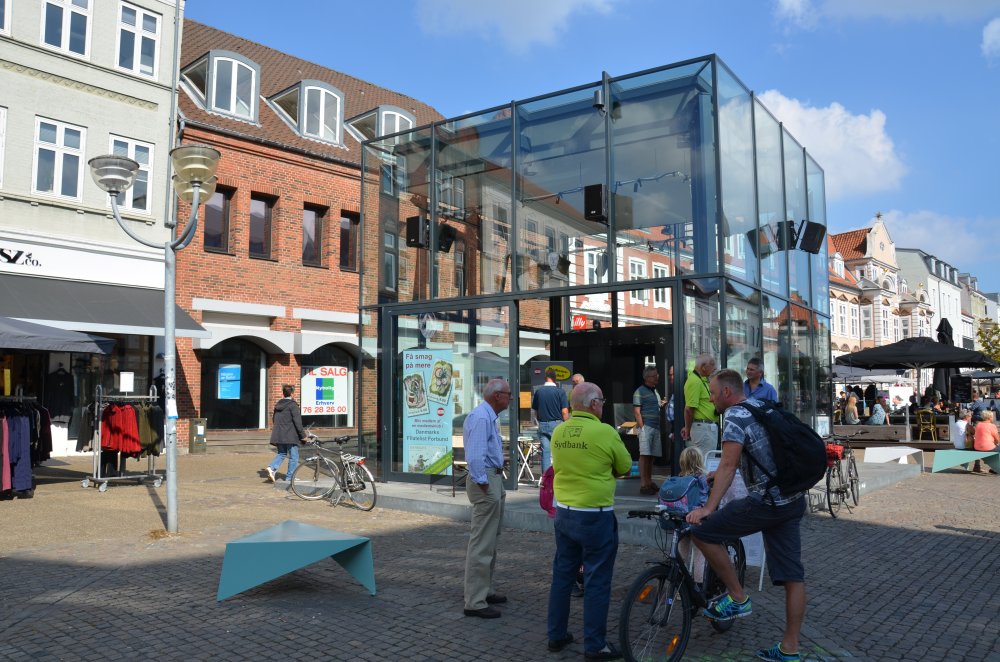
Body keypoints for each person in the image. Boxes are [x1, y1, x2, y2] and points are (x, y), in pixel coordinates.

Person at [686, 369, 808, 662]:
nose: (711, 400)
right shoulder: (761, 406)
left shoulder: (734, 416)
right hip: (791, 499)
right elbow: (757, 455)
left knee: (702, 532)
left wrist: (708, 508)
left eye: (713, 394)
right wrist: (717, 474)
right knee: (793, 576)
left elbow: (729, 465)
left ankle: (738, 597)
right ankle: (789, 649)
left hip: (766, 503)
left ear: (727, 392)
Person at [546, 382, 632, 660]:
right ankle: (595, 645)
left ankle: (556, 635)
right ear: (594, 404)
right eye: (602, 401)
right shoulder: (605, 432)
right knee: (597, 580)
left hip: (564, 512)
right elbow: (624, 466)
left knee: (563, 575)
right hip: (595, 515)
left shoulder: (559, 431)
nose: (603, 406)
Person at [463, 378, 512, 619]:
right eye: (508, 394)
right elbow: (475, 456)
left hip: (493, 479)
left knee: (490, 540)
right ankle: (474, 601)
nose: (511, 398)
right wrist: (483, 483)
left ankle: (484, 591)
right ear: (497, 396)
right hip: (486, 481)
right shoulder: (482, 417)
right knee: (482, 542)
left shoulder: (489, 416)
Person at [675, 447, 710, 585]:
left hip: (682, 520)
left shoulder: (679, 479)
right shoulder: (703, 478)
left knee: (681, 555)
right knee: (699, 556)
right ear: (700, 461)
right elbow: (706, 499)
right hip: (698, 520)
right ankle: (698, 586)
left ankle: (678, 586)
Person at [633, 365, 665, 495]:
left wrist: (661, 404)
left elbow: (653, 406)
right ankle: (643, 484)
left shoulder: (654, 391)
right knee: (644, 455)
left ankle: (649, 481)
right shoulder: (639, 391)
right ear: (647, 378)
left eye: (657, 375)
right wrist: (642, 428)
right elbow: (637, 412)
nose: (657, 377)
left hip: (655, 427)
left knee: (651, 456)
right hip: (647, 427)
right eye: (654, 376)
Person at [265, 384, 307, 484]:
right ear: (292, 393)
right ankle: (290, 477)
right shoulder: (293, 405)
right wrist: (303, 435)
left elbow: (274, 420)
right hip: (291, 435)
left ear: (283, 393)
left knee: (282, 453)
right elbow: (298, 422)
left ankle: (272, 468)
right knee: (294, 457)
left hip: (279, 434)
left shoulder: (278, 405)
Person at [532, 367, 570, 473]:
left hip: (543, 424)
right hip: (557, 425)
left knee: (546, 453)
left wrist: (540, 421)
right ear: (555, 378)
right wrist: (567, 424)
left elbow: (535, 412)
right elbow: (565, 412)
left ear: (545, 378)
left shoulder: (539, 392)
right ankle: (560, 475)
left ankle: (546, 478)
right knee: (559, 451)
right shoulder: (560, 392)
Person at [682, 353, 719, 459]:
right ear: (703, 367)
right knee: (705, 461)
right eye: (712, 364)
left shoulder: (700, 380)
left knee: (706, 460)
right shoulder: (695, 381)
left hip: (705, 428)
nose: (715, 368)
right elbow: (689, 409)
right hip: (703, 428)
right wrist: (687, 429)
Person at [972, 410, 1000, 474]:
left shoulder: (978, 424)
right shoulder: (992, 426)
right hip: (988, 447)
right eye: (992, 417)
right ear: (989, 417)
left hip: (977, 447)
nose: (993, 418)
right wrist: (995, 443)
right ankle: (995, 468)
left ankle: (977, 466)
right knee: (997, 448)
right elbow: (997, 440)